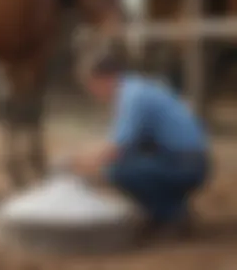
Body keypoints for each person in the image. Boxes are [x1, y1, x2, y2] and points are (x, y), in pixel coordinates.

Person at [67, 52, 210, 239]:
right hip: (189, 159)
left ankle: (172, 216)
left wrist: (76, 164)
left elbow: (115, 149)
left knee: (119, 171)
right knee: (130, 160)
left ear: (102, 78)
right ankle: (170, 211)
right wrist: (83, 156)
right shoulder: (136, 88)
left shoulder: (132, 97)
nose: (92, 93)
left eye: (91, 86)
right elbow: (118, 141)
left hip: (186, 163)